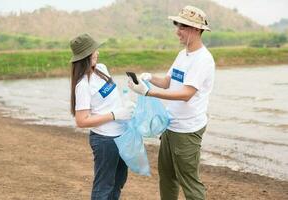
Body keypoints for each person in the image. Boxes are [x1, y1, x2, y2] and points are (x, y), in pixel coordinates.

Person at [128, 5, 215, 200]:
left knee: (190, 182)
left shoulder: (203, 60)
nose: (177, 32)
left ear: (195, 29)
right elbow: (168, 82)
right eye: (177, 25)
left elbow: (186, 94)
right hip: (171, 125)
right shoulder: (183, 55)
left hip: (187, 130)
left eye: (182, 27)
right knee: (167, 178)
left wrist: (149, 92)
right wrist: (149, 78)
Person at [69, 33, 134, 200]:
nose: (97, 53)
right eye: (93, 51)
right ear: (84, 56)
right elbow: (81, 121)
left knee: (119, 180)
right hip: (105, 140)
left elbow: (111, 98)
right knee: (104, 186)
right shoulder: (83, 85)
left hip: (122, 134)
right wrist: (114, 115)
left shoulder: (102, 69)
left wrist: (126, 104)